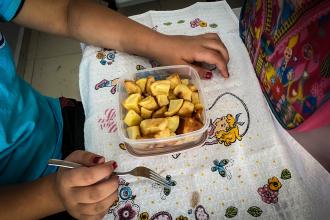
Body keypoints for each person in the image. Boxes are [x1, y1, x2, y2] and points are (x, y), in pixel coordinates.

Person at [0, 0, 230, 219]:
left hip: (59, 118)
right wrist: (52, 194)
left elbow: (66, 12)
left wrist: (163, 44)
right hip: (31, 203)